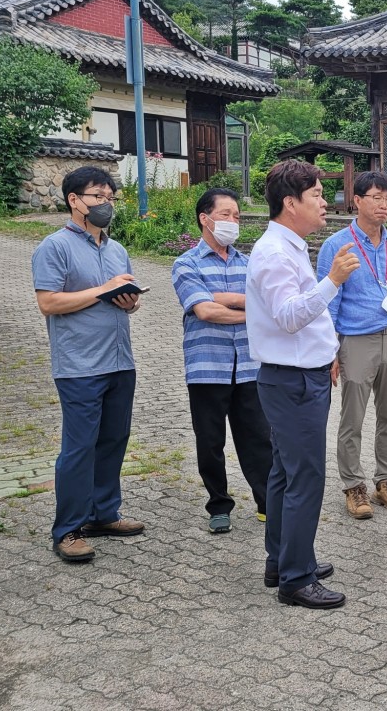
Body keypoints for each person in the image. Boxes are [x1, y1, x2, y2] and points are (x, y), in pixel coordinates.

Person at [246, 160, 360, 609]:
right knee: (305, 476)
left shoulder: (290, 246)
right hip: (292, 381)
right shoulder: (274, 253)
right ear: (290, 203)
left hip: (300, 375)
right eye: (316, 195)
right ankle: (296, 578)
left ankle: (283, 558)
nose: (325, 204)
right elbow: (290, 317)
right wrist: (333, 280)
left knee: (284, 472)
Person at [31, 166, 145, 563]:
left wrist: (129, 301)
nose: (106, 204)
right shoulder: (54, 246)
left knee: (114, 440)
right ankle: (68, 528)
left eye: (111, 197)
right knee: (79, 448)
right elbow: (49, 302)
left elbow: (117, 299)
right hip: (79, 365)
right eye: (98, 197)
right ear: (74, 200)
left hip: (119, 359)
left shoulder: (116, 250)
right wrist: (103, 290)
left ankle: (103, 514)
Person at [316, 171, 387, 520]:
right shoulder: (337, 244)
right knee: (352, 418)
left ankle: (386, 480)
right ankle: (353, 486)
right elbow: (328, 300)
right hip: (355, 340)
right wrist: (329, 348)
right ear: (358, 200)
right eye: (376, 197)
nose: (384, 205)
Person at [172, 188, 270, 534]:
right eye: (226, 214)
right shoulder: (186, 263)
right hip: (207, 366)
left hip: (249, 365)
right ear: (205, 218)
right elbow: (204, 310)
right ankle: (219, 505)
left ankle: (266, 502)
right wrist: (250, 309)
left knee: (258, 438)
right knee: (210, 442)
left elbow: (265, 300)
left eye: (237, 216)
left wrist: (223, 298)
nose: (233, 222)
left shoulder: (249, 263)